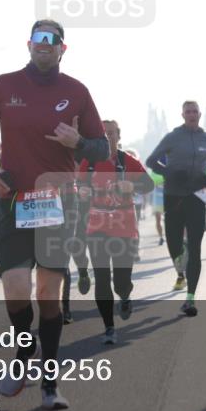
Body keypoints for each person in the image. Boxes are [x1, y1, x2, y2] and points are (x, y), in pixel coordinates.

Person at [0, 19, 108, 410]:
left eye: (53, 40)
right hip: (14, 202)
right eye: (38, 38)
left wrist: (79, 141)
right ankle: (23, 352)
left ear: (63, 48)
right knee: (15, 290)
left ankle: (50, 384)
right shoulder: (4, 85)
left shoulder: (77, 92)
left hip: (56, 206)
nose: (44, 44)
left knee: (48, 294)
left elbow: (101, 149)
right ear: (28, 44)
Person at [77, 121, 153, 344]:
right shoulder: (88, 162)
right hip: (97, 227)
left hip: (124, 227)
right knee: (101, 277)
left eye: (111, 133)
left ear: (118, 136)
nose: (107, 137)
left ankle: (125, 296)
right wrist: (80, 191)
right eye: (102, 133)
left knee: (121, 281)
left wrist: (134, 186)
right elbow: (77, 187)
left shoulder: (127, 161)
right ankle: (109, 327)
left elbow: (148, 185)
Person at [146, 100, 206, 317]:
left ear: (200, 114)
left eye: (195, 111)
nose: (191, 114)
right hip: (174, 197)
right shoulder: (173, 137)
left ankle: (190, 298)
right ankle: (180, 263)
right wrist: (169, 172)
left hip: (197, 197)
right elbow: (152, 161)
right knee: (174, 244)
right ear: (182, 115)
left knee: (196, 247)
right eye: (188, 111)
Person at [150, 170, 165, 245]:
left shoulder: (169, 167)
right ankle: (161, 237)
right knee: (158, 219)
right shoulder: (154, 170)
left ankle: (170, 235)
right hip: (157, 199)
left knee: (169, 220)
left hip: (168, 198)